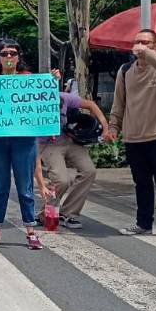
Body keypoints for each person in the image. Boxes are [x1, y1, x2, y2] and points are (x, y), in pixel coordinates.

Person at [107, 29, 156, 238]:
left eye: (146, 42)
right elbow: (119, 103)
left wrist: (149, 53)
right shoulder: (125, 70)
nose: (140, 46)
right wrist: (113, 127)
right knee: (142, 184)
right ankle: (143, 223)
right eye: (136, 42)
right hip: (133, 137)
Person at [0, 39, 43, 250]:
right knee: (0, 187)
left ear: (18, 57)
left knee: (25, 187)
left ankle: (31, 231)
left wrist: (52, 81)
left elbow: (42, 100)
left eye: (12, 54)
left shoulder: (30, 80)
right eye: (4, 54)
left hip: (24, 140)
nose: (8, 57)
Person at [34, 83, 110, 229]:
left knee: (89, 171)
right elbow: (33, 142)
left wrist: (105, 127)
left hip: (68, 140)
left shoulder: (64, 98)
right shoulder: (34, 107)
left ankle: (68, 213)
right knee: (61, 180)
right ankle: (46, 215)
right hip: (47, 145)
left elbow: (91, 105)